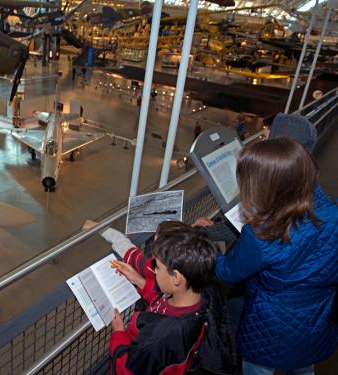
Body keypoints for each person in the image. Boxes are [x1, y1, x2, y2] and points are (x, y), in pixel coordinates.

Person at [215, 138, 338, 374]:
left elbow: (227, 271)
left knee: (257, 368)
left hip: (272, 325)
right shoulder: (333, 212)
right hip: (318, 315)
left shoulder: (262, 234)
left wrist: (204, 250)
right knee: (304, 367)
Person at [103, 221, 237, 375]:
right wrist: (139, 281)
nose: (154, 270)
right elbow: (163, 304)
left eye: (158, 267)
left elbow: (127, 369)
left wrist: (119, 333)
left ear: (176, 278)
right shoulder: (202, 295)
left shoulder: (161, 337)